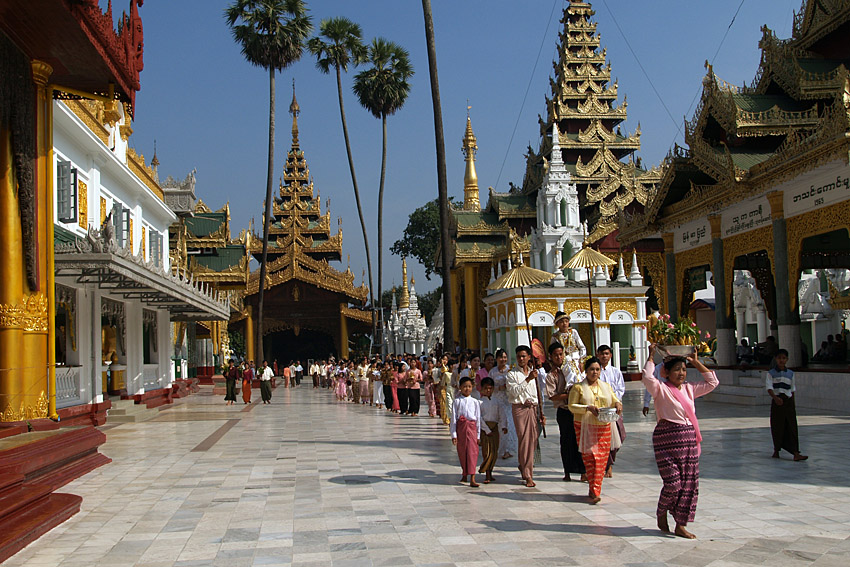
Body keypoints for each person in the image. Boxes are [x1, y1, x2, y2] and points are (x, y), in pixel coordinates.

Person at [644, 344, 718, 539]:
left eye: (684, 369)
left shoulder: (690, 389)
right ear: (666, 372)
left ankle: (680, 524)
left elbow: (712, 382)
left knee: (689, 485)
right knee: (673, 483)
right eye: (677, 369)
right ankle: (662, 510)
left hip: (688, 441)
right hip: (666, 439)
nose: (681, 373)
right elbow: (647, 377)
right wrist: (651, 356)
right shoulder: (660, 389)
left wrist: (696, 362)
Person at [545, 342, 585, 482]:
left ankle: (582, 471)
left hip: (577, 410)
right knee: (566, 441)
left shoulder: (572, 368)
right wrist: (569, 394)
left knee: (580, 440)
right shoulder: (551, 375)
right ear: (551, 356)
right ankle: (567, 471)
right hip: (564, 410)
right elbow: (552, 395)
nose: (559, 357)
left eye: (561, 354)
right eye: (555, 355)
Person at [507, 345, 546, 487]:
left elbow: (539, 394)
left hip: (533, 408)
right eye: (519, 356)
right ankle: (528, 474)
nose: (521, 359)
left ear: (529, 357)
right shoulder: (512, 374)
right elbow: (514, 392)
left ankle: (524, 464)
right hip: (520, 408)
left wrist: (541, 412)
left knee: (533, 440)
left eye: (524, 356)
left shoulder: (534, 373)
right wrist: (527, 379)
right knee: (524, 439)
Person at [767, 349, 808, 461]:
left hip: (788, 401)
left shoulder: (790, 373)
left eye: (784, 358)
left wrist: (792, 402)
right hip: (777, 401)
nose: (781, 360)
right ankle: (777, 450)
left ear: (787, 359)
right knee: (777, 426)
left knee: (791, 426)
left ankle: (795, 452)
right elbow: (769, 388)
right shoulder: (771, 373)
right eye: (779, 358)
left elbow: (792, 389)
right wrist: (775, 398)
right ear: (776, 359)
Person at [596, 345, 626, 478]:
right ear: (597, 355)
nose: (604, 356)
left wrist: (615, 400)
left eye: (607, 354)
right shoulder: (595, 372)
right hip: (602, 409)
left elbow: (620, 389)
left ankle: (610, 462)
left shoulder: (615, 372)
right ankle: (605, 465)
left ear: (611, 355)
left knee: (620, 435)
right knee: (604, 438)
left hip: (615, 408)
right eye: (602, 354)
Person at [451, 375, 482, 487]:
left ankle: (472, 476)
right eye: (464, 386)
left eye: (469, 386)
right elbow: (454, 419)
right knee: (462, 451)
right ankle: (464, 472)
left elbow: (478, 419)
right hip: (461, 427)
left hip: (472, 428)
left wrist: (478, 435)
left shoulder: (475, 402)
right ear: (460, 387)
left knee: (472, 452)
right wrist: (454, 434)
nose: (467, 389)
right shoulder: (457, 402)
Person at [489, 349, 518, 460]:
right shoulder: (493, 372)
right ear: (497, 359)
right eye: (501, 357)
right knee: (499, 424)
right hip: (497, 399)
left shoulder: (510, 370)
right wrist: (498, 388)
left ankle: (508, 449)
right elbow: (489, 386)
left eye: (505, 357)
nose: (503, 360)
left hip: (508, 400)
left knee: (509, 424)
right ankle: (497, 447)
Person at [478, 377, 508, 484]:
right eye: (485, 388)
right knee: (487, 452)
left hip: (495, 428)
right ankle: (486, 472)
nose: (488, 391)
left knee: (494, 451)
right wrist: (486, 429)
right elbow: (479, 418)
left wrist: (504, 426)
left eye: (490, 388)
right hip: (485, 429)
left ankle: (491, 471)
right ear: (481, 389)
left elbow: (502, 414)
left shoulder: (497, 402)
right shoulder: (479, 402)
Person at [551, 311, 586, 376]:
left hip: (576, 359)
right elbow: (552, 351)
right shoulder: (555, 336)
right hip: (565, 361)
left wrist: (581, 361)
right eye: (561, 322)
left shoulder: (573, 332)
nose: (564, 324)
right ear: (557, 324)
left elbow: (582, 347)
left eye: (566, 321)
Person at [439, 355, 453, 425]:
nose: (445, 361)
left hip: (452, 389)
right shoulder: (441, 369)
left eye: (446, 359)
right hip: (444, 388)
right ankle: (446, 418)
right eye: (443, 359)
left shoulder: (452, 370)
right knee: (445, 404)